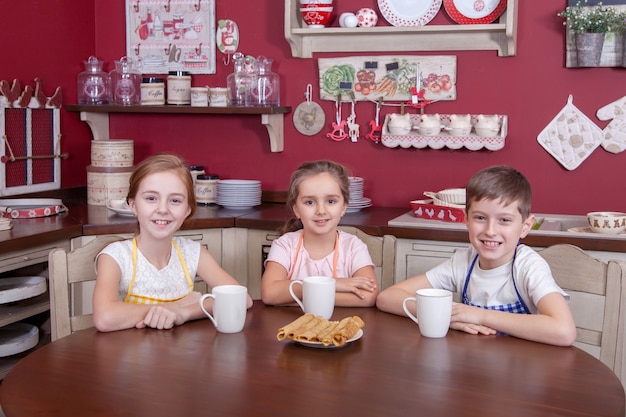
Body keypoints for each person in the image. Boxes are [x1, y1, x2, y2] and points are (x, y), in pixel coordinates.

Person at [376, 165, 576, 346]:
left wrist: (479, 316)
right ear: (466, 219)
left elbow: (563, 330)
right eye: (480, 218)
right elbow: (387, 298)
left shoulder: (528, 266)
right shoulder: (463, 262)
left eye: (504, 220)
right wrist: (445, 316)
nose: (490, 230)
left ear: (525, 226)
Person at [93, 153, 252, 332]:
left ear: (187, 210)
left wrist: (183, 313)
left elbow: (242, 299)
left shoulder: (193, 252)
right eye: (151, 198)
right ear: (133, 205)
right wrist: (177, 306)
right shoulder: (115, 257)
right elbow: (105, 318)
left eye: (175, 201)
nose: (162, 209)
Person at [261, 160, 379, 307]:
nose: (321, 211)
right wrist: (332, 284)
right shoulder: (284, 245)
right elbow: (269, 294)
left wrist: (301, 296)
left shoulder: (353, 247)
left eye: (331, 201)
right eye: (310, 202)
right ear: (296, 209)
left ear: (343, 207)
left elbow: (368, 296)